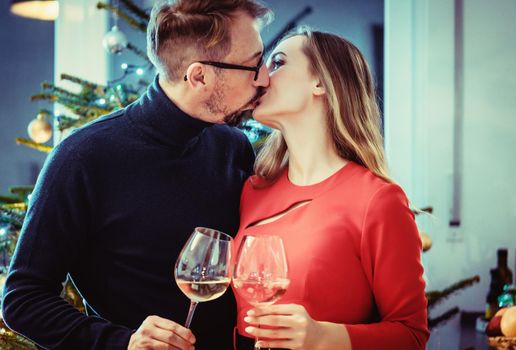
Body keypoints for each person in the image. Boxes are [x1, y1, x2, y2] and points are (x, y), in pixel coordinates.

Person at [2, 1, 272, 349]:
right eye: (253, 64)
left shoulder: (233, 146)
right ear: (199, 76)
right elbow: (23, 300)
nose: (264, 77)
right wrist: (124, 343)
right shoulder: (82, 157)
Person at [232, 28, 429, 350]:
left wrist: (324, 337)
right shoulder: (253, 190)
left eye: (278, 63)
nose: (261, 77)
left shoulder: (377, 200)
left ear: (321, 82)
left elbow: (411, 335)